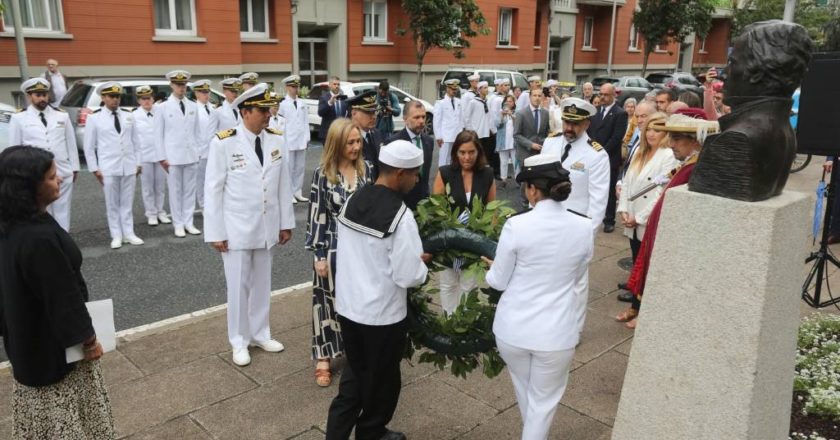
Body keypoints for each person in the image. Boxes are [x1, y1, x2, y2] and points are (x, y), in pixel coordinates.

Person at [0, 146, 115, 439]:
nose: (60, 179)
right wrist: (88, 341)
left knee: (41, 423)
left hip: (24, 339)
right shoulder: (39, 238)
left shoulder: (13, 223)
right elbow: (62, 298)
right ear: (29, 187)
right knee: (68, 419)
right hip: (55, 349)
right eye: (51, 177)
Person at [325, 140, 430, 440]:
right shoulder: (401, 216)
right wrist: (420, 266)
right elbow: (409, 276)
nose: (416, 179)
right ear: (399, 173)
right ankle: (371, 433)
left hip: (349, 309)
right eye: (414, 173)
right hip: (382, 318)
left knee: (354, 380)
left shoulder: (353, 201)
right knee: (384, 384)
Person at [484, 154, 593, 440]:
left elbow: (497, 281)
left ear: (532, 189)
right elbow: (578, 278)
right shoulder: (584, 227)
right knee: (542, 405)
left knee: (529, 398)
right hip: (557, 334)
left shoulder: (516, 225)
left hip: (514, 331)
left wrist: (492, 268)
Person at [204, 83, 295, 367]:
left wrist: (285, 223)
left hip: (267, 226)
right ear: (245, 112)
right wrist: (216, 232)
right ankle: (239, 340)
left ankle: (260, 333)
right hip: (236, 230)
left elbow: (283, 184)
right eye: (262, 110)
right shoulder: (224, 142)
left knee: (262, 284)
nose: (269, 115)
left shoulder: (277, 139)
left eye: (269, 109)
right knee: (238, 287)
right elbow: (213, 190)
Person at [625, 114, 719, 329]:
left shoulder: (694, 169)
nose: (671, 144)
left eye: (677, 139)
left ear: (695, 141)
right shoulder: (687, 165)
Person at [305, 119, 374, 387]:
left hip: (362, 247)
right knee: (326, 302)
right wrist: (319, 255)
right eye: (351, 143)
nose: (356, 147)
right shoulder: (323, 174)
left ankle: (355, 351)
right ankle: (324, 357)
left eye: (358, 141)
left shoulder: (367, 169)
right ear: (337, 144)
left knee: (359, 301)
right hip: (333, 246)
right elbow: (316, 216)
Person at [541, 98, 609, 334]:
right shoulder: (550, 143)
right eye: (566, 122)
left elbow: (598, 202)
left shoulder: (597, 155)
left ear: (587, 124)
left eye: (575, 124)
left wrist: (585, 236)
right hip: (545, 224)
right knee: (546, 277)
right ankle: (548, 322)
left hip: (575, 229)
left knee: (576, 285)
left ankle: (574, 330)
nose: (569, 128)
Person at [614, 112, 677, 318]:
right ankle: (634, 307)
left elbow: (660, 192)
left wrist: (639, 218)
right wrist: (623, 210)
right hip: (631, 218)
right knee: (636, 263)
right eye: (648, 129)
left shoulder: (668, 156)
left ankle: (642, 310)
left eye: (657, 130)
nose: (651, 133)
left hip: (645, 221)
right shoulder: (640, 152)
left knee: (646, 267)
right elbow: (628, 183)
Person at [431, 130, 496, 314]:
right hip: (449, 242)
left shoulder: (488, 174)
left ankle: (463, 322)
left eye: (471, 152)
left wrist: (488, 239)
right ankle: (450, 321)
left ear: (478, 152)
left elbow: (492, 210)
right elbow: (436, 209)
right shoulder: (444, 173)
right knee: (448, 283)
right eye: (462, 152)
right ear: (455, 153)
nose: (467, 157)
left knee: (469, 285)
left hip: (474, 242)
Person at [7, 77, 80, 232]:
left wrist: (74, 168)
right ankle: (47, 242)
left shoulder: (62, 116)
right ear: (29, 96)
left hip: (62, 170)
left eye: (44, 94)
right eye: (37, 95)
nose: (42, 98)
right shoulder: (19, 118)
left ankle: (63, 240)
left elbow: (71, 144)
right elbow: (15, 148)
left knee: (63, 210)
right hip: (36, 174)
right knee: (42, 211)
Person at [83, 82, 144, 249]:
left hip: (129, 165)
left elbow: (136, 142)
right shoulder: (94, 118)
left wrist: (138, 163)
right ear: (103, 97)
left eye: (117, 96)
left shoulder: (128, 115)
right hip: (108, 167)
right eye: (111, 96)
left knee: (127, 202)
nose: (115, 100)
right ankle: (116, 235)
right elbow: (89, 147)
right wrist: (95, 169)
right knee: (112, 203)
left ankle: (129, 233)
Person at [615, 101, 655, 302]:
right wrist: (621, 187)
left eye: (644, 116)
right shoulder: (640, 140)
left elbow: (658, 189)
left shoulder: (660, 149)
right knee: (634, 248)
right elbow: (629, 169)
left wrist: (638, 216)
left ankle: (637, 291)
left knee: (642, 253)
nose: (639, 120)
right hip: (630, 205)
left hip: (642, 212)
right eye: (637, 116)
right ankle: (634, 282)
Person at [155, 70, 202, 238]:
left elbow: (197, 132)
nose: (181, 88)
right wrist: (162, 157)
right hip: (172, 157)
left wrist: (198, 153)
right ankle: (178, 223)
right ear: (171, 85)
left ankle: (188, 222)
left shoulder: (193, 105)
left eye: (183, 85)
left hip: (190, 155)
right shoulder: (162, 107)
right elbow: (158, 134)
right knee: (175, 191)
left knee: (189, 190)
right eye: (178, 85)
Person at [587, 83, 628, 233]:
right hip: (593, 155)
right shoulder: (595, 111)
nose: (602, 97)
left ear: (613, 96)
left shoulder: (620, 113)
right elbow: (590, 133)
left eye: (606, 95)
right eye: (601, 94)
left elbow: (616, 137)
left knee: (609, 189)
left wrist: (601, 153)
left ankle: (609, 219)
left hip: (609, 157)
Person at [133, 85, 171, 226]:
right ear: (139, 101)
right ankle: (151, 213)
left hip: (161, 155)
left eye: (148, 98)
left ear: (153, 98)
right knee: (148, 187)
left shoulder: (160, 111)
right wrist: (136, 161)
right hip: (144, 156)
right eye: (143, 99)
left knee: (160, 186)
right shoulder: (134, 115)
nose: (146, 101)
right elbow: (133, 139)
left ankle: (161, 211)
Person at [387, 100, 434, 209]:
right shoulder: (393, 143)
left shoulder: (429, 142)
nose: (422, 121)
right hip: (401, 204)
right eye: (416, 117)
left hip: (423, 205)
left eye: (423, 117)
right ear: (405, 119)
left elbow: (425, 177)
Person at [279, 74, 311, 203]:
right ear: (287, 87)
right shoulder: (283, 104)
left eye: (296, 86)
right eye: (292, 86)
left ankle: (298, 191)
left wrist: (307, 138)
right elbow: (281, 124)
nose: (295, 89)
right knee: (289, 168)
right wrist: (282, 141)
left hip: (301, 139)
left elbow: (305, 122)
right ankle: (289, 193)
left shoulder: (302, 103)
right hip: (289, 140)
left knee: (300, 167)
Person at [193, 79, 219, 213]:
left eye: (207, 92)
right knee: (201, 179)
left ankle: (211, 202)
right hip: (200, 150)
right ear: (196, 93)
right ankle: (203, 204)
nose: (206, 95)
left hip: (213, 150)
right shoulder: (194, 109)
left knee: (213, 178)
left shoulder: (213, 108)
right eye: (202, 92)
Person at [347, 90, 384, 181]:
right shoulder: (346, 137)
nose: (374, 116)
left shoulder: (377, 134)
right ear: (354, 113)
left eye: (375, 112)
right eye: (368, 112)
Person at [464, 81, 496, 178]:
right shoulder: (473, 102)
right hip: (477, 132)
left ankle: (483, 172)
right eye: (485, 88)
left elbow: (489, 116)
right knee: (476, 152)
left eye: (487, 87)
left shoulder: (487, 101)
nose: (487, 90)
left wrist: (492, 129)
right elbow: (467, 117)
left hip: (486, 132)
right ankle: (474, 172)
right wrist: (470, 131)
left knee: (485, 153)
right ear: (479, 90)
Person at [433, 78, 465, 167]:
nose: (454, 91)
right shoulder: (440, 103)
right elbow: (437, 121)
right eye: (452, 89)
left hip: (456, 135)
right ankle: (442, 179)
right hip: (445, 136)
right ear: (447, 89)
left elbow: (461, 118)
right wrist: (438, 136)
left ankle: (452, 178)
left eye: (455, 89)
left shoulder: (459, 102)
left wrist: (461, 132)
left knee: (454, 158)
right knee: (444, 160)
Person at [495, 94, 518, 186]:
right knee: (503, 161)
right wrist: (502, 116)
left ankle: (518, 179)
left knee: (515, 161)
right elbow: (497, 125)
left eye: (510, 101)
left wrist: (511, 115)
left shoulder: (517, 112)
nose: (508, 103)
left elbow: (518, 125)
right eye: (507, 101)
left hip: (513, 141)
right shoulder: (500, 112)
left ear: (513, 103)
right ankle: (503, 179)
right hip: (503, 141)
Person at [318, 76, 347, 141]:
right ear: (330, 85)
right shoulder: (324, 97)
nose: (337, 86)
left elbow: (348, 114)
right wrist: (329, 103)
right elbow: (320, 113)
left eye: (338, 84)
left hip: (341, 133)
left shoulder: (344, 97)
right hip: (328, 133)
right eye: (334, 84)